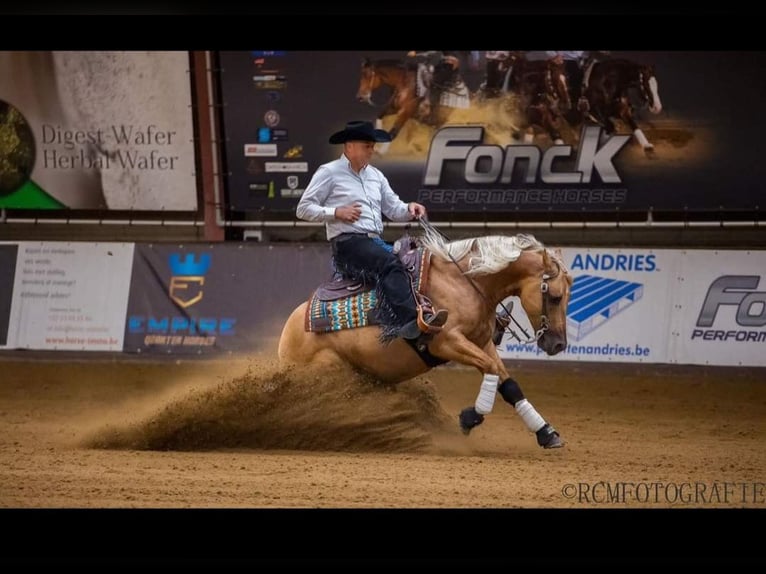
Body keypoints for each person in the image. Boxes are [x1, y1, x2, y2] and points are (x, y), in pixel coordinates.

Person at [296, 120, 448, 342]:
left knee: (416, 261)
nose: (372, 150)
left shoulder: (376, 175)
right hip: (348, 244)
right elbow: (303, 208)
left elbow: (393, 208)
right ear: (349, 147)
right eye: (367, 145)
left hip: (372, 242)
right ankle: (410, 322)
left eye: (372, 145)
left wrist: (409, 208)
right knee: (390, 264)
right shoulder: (328, 172)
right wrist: (337, 212)